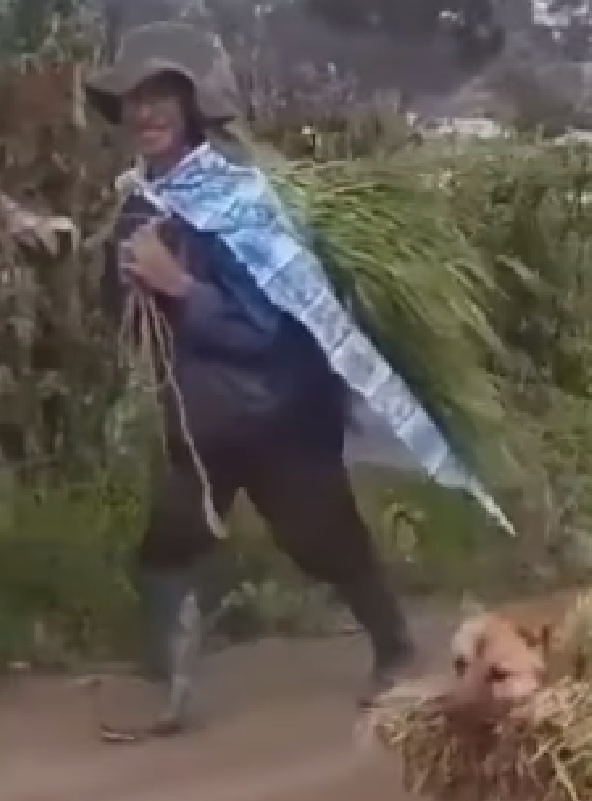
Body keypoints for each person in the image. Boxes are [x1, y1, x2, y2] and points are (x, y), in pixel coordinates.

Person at [85, 23, 416, 735]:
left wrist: (178, 287)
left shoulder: (243, 200)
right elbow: (121, 311)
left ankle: (396, 649)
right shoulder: (141, 200)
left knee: (323, 541)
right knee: (167, 545)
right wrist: (106, 275)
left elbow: (272, 327)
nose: (143, 113)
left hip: (280, 413)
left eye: (159, 97)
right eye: (133, 101)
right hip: (200, 420)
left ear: (189, 107)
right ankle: (171, 691)